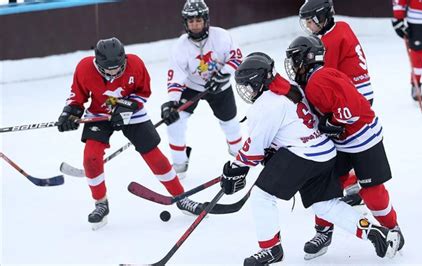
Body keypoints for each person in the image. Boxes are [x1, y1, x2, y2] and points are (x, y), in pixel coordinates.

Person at [219, 52, 401, 265]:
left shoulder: (266, 104)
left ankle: (270, 249)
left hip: (302, 156)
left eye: (248, 85)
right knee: (324, 204)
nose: (246, 91)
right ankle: (375, 233)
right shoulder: (288, 87)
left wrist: (235, 169)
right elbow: (289, 126)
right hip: (324, 152)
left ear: (258, 81)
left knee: (262, 196)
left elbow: (254, 149)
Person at [270, 35, 404, 259]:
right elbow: (290, 89)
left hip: (363, 139)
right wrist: (268, 80)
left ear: (306, 59)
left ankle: (392, 227)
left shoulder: (321, 79)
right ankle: (323, 231)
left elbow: (355, 105)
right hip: (340, 142)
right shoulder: (310, 80)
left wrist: (333, 122)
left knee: (372, 192)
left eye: (295, 59)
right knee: (326, 188)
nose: (292, 65)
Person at [56, 37, 203, 230]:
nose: (114, 71)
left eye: (118, 67)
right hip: (100, 114)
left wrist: (125, 107)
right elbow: (77, 95)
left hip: (132, 113)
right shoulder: (84, 68)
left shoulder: (135, 63)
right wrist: (70, 113)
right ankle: (101, 204)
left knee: (154, 155)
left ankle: (181, 197)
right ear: (98, 64)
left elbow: (144, 92)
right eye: (109, 69)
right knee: (91, 158)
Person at [299, 0, 373, 206]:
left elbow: (322, 74)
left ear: (322, 18)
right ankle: (354, 183)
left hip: (352, 100)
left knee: (336, 141)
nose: (308, 27)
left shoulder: (329, 42)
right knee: (345, 141)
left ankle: (352, 185)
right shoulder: (342, 27)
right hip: (360, 93)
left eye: (311, 22)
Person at [161, 0, 243, 179]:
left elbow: (236, 58)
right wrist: (172, 102)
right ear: (185, 23)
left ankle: (239, 153)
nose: (195, 25)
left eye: (198, 20)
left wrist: (223, 75)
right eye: (191, 21)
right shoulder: (180, 47)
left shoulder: (221, 36)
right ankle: (179, 163)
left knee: (230, 124)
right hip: (192, 87)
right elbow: (175, 77)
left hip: (221, 87)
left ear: (206, 20)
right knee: (174, 122)